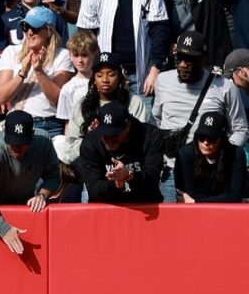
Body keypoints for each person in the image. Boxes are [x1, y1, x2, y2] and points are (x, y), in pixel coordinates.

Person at [152, 31, 248, 201]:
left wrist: (220, 154)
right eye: (179, 58)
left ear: (203, 59)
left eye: (190, 59)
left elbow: (240, 129)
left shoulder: (225, 87)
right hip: (171, 171)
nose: (183, 64)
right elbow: (158, 119)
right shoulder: (162, 81)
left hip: (210, 174)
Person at [0, 111, 60, 255]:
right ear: (4, 133)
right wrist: (3, 229)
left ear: (32, 135)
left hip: (25, 210)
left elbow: (54, 176)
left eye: (22, 143)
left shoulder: (43, 141)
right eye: (13, 142)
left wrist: (42, 195)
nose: (17, 147)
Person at [75, 0, 169, 98]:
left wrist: (155, 69)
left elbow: (160, 31)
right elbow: (86, 38)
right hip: (106, 78)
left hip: (143, 76)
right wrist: (95, 75)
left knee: (144, 118)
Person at [59, 51, 151, 164]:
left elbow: (143, 141)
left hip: (128, 166)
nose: (105, 80)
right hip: (91, 169)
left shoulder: (134, 103)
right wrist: (91, 139)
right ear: (93, 79)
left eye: (111, 74)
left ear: (120, 77)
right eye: (99, 75)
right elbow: (70, 152)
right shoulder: (82, 106)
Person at [0, 6, 74, 135]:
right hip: (15, 122)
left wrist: (39, 71)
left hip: (47, 124)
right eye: (25, 27)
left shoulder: (62, 55)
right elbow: (2, 97)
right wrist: (22, 73)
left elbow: (58, 99)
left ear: (48, 31)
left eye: (35, 28)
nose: (29, 32)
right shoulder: (11, 52)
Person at [76, 101, 165, 202]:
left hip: (144, 205)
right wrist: (117, 184)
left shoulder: (149, 136)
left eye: (114, 135)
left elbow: (152, 180)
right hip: (106, 208)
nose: (109, 140)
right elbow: (94, 189)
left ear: (127, 126)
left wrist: (130, 176)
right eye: (105, 135)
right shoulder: (91, 143)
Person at [162, 0, 233, 67]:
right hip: (176, 66)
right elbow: (160, 33)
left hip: (208, 65)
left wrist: (222, 70)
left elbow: (223, 36)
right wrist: (167, 46)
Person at [173, 110, 247, 201]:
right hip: (195, 212)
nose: (205, 142)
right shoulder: (186, 154)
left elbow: (235, 196)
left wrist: (197, 201)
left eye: (211, 138)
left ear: (221, 139)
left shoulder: (236, 154)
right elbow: (188, 194)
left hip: (227, 211)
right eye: (201, 137)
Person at [55, 29, 98, 126]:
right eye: (76, 55)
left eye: (84, 55)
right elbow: (68, 123)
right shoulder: (67, 89)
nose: (80, 60)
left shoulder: (102, 82)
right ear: (70, 55)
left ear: (94, 54)